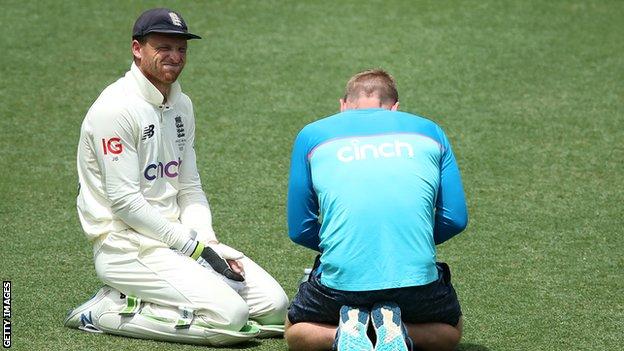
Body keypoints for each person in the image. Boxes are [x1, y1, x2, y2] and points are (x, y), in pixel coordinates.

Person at [64, 8, 288, 346]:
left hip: (181, 242)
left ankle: (163, 298)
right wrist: (195, 249)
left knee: (275, 308)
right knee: (231, 319)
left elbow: (189, 186)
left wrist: (209, 243)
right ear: (137, 49)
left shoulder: (182, 105)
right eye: (163, 47)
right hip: (125, 246)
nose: (175, 56)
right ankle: (107, 309)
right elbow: (125, 204)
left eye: (181, 49)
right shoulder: (116, 109)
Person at [285, 69, 468, 351]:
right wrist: (405, 240)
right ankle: (395, 329)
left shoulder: (312, 135)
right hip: (415, 283)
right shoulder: (431, 131)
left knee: (295, 332)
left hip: (341, 284)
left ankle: (347, 331)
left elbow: (300, 228)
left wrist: (343, 243)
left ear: (343, 105)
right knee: (451, 332)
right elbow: (454, 219)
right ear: (395, 107)